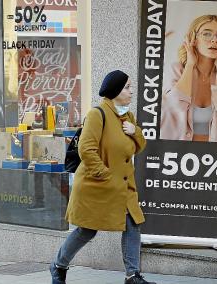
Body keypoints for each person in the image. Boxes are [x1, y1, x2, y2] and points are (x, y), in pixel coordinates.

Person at [50, 70, 155, 284]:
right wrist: (105, 175)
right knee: (87, 230)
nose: (131, 91)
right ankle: (58, 265)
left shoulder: (128, 118)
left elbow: (139, 146)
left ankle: (132, 275)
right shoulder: (98, 114)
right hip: (97, 185)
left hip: (123, 186)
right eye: (127, 87)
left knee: (133, 223)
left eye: (131, 87)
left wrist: (134, 131)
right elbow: (86, 150)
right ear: (115, 91)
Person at [160, 15, 217, 143]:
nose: (214, 40)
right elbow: (176, 107)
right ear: (194, 38)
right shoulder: (176, 70)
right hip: (179, 153)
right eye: (207, 34)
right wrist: (190, 64)